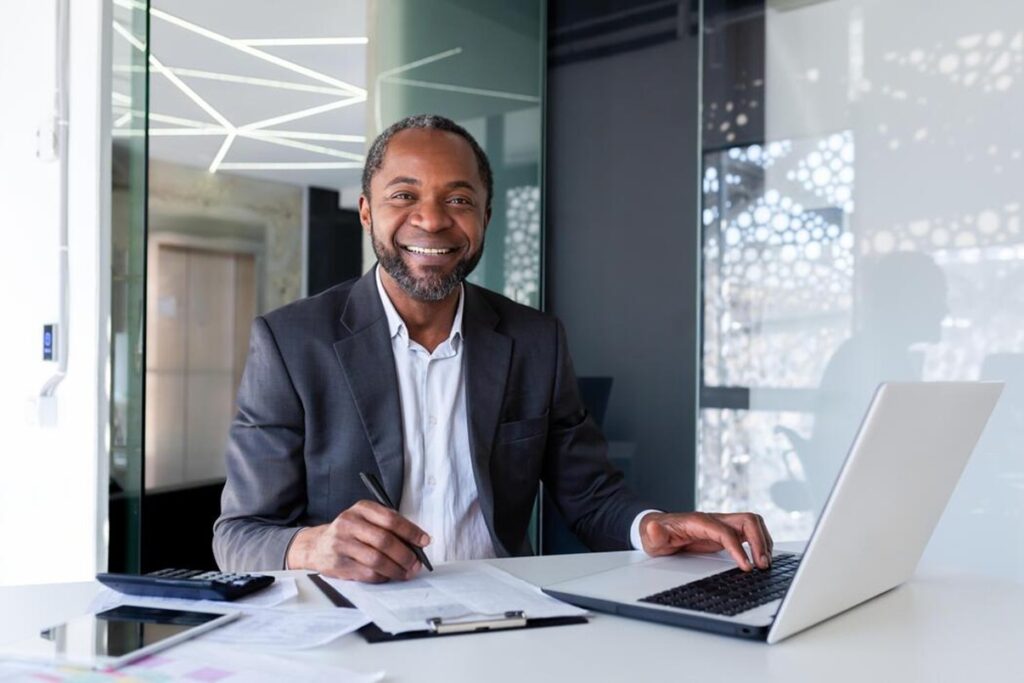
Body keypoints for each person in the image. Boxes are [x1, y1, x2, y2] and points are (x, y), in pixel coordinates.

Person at [213, 114, 773, 582]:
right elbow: (238, 535)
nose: (431, 219)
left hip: (503, 618)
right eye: (404, 195)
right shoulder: (291, 342)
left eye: (458, 198)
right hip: (351, 624)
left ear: (485, 215)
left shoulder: (535, 341)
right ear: (366, 211)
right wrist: (314, 547)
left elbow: (591, 495)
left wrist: (652, 525)